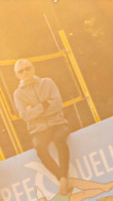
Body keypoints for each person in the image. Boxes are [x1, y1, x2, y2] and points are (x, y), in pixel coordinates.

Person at [13, 59, 72, 195]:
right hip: (38, 129)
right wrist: (45, 104)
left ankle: (63, 180)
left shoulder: (47, 82)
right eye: (21, 71)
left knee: (60, 139)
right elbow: (26, 116)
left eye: (27, 68)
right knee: (40, 148)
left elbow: (57, 105)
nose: (25, 72)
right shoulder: (18, 94)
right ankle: (62, 178)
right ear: (17, 75)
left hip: (57, 122)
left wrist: (34, 110)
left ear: (33, 68)